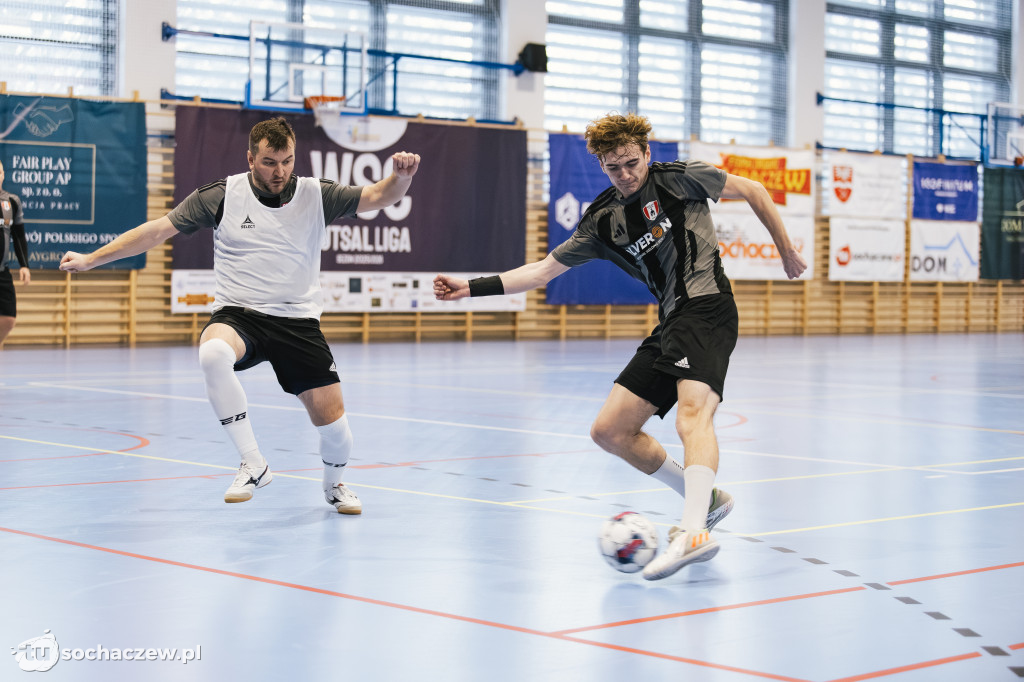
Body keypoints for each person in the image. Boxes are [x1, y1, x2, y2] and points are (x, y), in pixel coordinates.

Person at [434, 113, 806, 580]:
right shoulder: (604, 220)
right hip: (671, 320)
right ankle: (707, 501)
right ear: (603, 168)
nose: (626, 174)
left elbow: (754, 190)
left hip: (708, 307)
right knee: (610, 431)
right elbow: (540, 273)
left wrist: (786, 250)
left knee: (694, 416)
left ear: (646, 154)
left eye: (632, 162)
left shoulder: (679, 179)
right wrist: (468, 288)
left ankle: (693, 532)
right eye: (614, 168)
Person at [61, 117, 421, 514]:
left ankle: (334, 485)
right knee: (212, 353)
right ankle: (253, 462)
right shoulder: (221, 195)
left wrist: (401, 177)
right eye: (269, 162)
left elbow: (378, 196)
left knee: (337, 432)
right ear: (250, 158)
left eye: (286, 161)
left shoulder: (316, 194)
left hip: (298, 320)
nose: (279, 171)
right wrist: (92, 259)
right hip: (240, 314)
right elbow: (156, 231)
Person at [0, 159, 31, 346]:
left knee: (9, 318)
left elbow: (19, 236)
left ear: (3, 175)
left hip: (2, 271)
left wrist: (24, 265)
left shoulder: (11, 201)